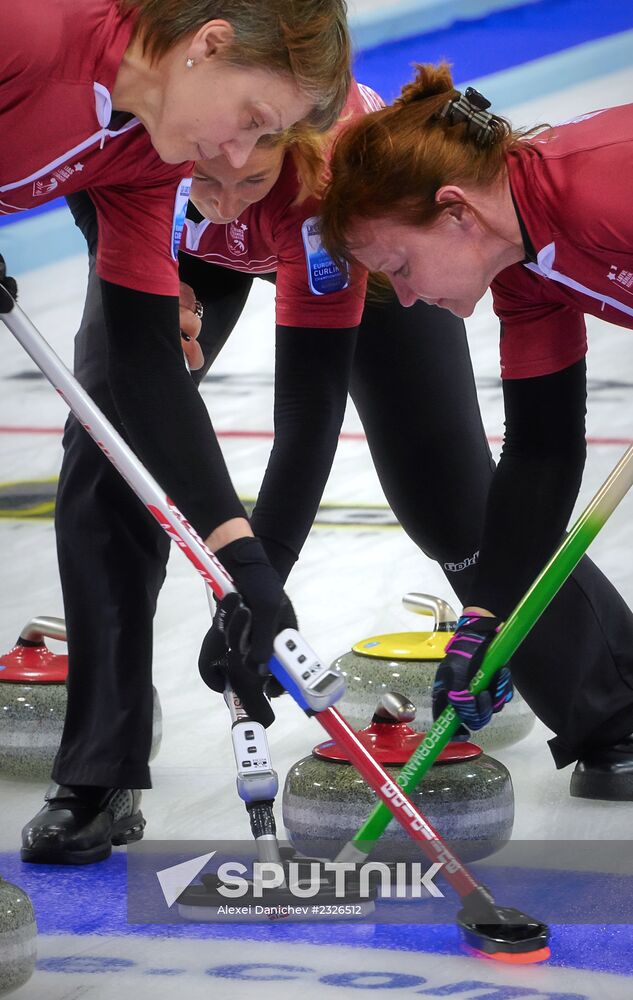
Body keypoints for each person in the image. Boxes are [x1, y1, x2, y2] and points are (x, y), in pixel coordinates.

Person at [20, 83, 633, 867]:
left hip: (356, 226)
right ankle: (97, 767)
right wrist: (143, 259)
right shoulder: (134, 93)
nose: (226, 200)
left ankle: (608, 702)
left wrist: (259, 581)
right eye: (203, 168)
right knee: (112, 443)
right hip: (164, 238)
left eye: (247, 174)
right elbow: (91, 178)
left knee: (443, 489)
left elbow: (308, 403)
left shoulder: (334, 192)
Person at [1, 0, 351, 863]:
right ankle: (98, 764)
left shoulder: (153, 155)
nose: (236, 158)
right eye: (253, 120)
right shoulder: (29, 31)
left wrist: (247, 571)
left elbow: (147, 374)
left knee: (113, 423)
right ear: (209, 44)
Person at [319, 61, 633, 801]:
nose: (405, 294)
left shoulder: (600, 186)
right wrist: (488, 619)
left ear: (455, 211)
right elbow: (542, 451)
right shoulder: (525, 274)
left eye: (397, 265)